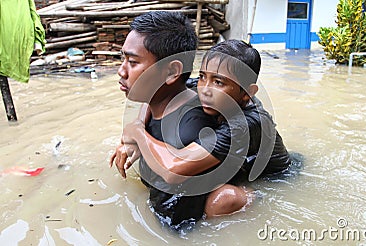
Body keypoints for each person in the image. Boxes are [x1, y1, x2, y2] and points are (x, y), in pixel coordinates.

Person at [121, 40, 292, 219]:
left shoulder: (248, 124)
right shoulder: (205, 86)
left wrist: (137, 134)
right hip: (236, 160)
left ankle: (252, 197)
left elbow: (174, 169)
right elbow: (160, 94)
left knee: (222, 201)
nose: (204, 89)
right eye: (203, 76)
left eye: (219, 82)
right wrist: (138, 125)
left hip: (273, 177)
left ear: (247, 93)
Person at [109, 11, 217, 231]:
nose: (121, 71)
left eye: (132, 62)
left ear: (172, 72)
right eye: (123, 59)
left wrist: (136, 134)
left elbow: (175, 227)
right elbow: (148, 103)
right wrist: (135, 135)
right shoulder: (163, 99)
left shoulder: (186, 136)